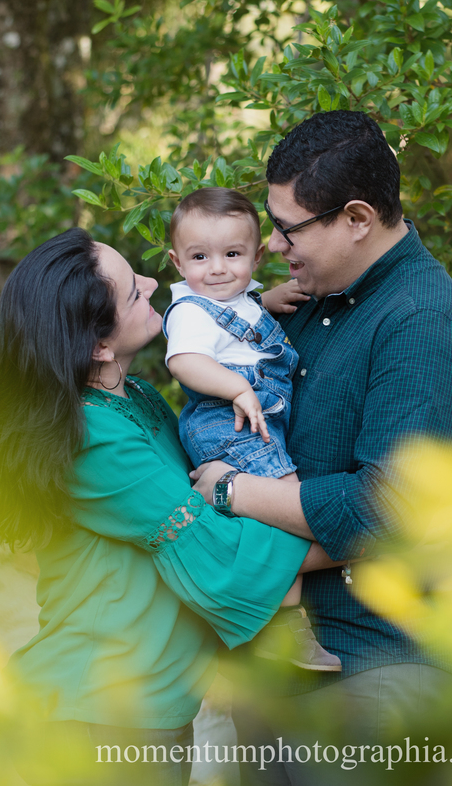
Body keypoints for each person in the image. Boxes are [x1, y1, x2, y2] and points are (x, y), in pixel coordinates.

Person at [0, 228, 342, 786]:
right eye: (132, 290)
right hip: (99, 709)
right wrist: (366, 530)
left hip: (145, 706)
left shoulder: (134, 398)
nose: (150, 281)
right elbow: (218, 551)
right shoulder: (91, 438)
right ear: (97, 344)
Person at [189, 110, 452, 784]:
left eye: (288, 227)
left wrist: (227, 492)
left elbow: (380, 509)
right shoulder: (314, 303)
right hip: (287, 668)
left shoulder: (423, 320)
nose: (274, 244)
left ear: (357, 218)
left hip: (375, 671)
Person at [163, 186, 339, 672]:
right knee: (290, 504)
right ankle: (285, 627)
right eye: (200, 256)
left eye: (232, 254)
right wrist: (236, 389)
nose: (217, 268)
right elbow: (186, 361)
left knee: (267, 514)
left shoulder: (239, 298)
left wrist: (272, 297)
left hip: (249, 420)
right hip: (229, 421)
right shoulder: (190, 311)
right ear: (177, 263)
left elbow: (246, 308)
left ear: (257, 257)